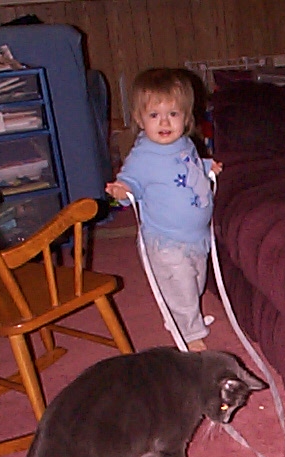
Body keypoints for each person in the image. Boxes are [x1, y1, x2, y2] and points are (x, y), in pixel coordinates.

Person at [106, 68, 222, 351]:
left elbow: (189, 165)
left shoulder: (184, 143)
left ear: (186, 117)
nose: (165, 122)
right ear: (139, 119)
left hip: (196, 236)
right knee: (180, 286)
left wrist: (208, 166)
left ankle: (182, 317)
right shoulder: (143, 156)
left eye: (173, 114)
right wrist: (122, 190)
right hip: (166, 241)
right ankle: (190, 334)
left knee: (195, 281)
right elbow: (131, 182)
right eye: (154, 115)